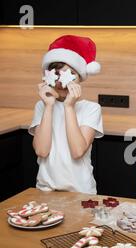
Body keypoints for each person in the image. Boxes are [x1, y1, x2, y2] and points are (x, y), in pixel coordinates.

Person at [29, 35, 103, 194]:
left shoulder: (91, 109)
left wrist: (69, 107)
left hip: (80, 191)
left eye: (68, 75)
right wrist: (48, 106)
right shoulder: (42, 106)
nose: (61, 83)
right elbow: (41, 151)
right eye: (56, 75)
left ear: (80, 78)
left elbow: (77, 151)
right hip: (45, 189)